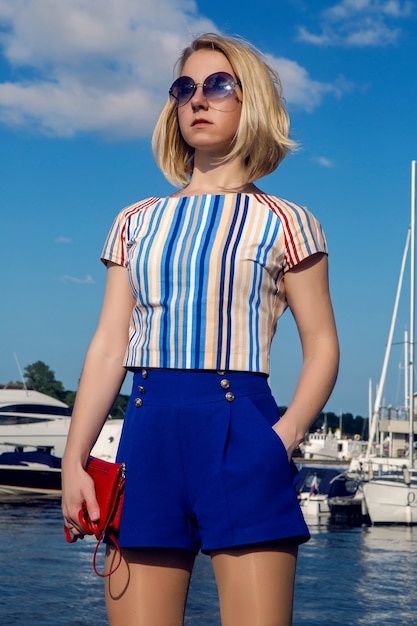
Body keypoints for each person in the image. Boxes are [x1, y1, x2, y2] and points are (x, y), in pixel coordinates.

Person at [62, 32, 339, 626]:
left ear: (252, 101)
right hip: (147, 433)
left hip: (242, 428)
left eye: (218, 85)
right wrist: (74, 459)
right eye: (185, 88)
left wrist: (282, 437)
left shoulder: (289, 223)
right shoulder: (135, 221)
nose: (198, 99)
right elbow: (110, 346)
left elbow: (321, 346)